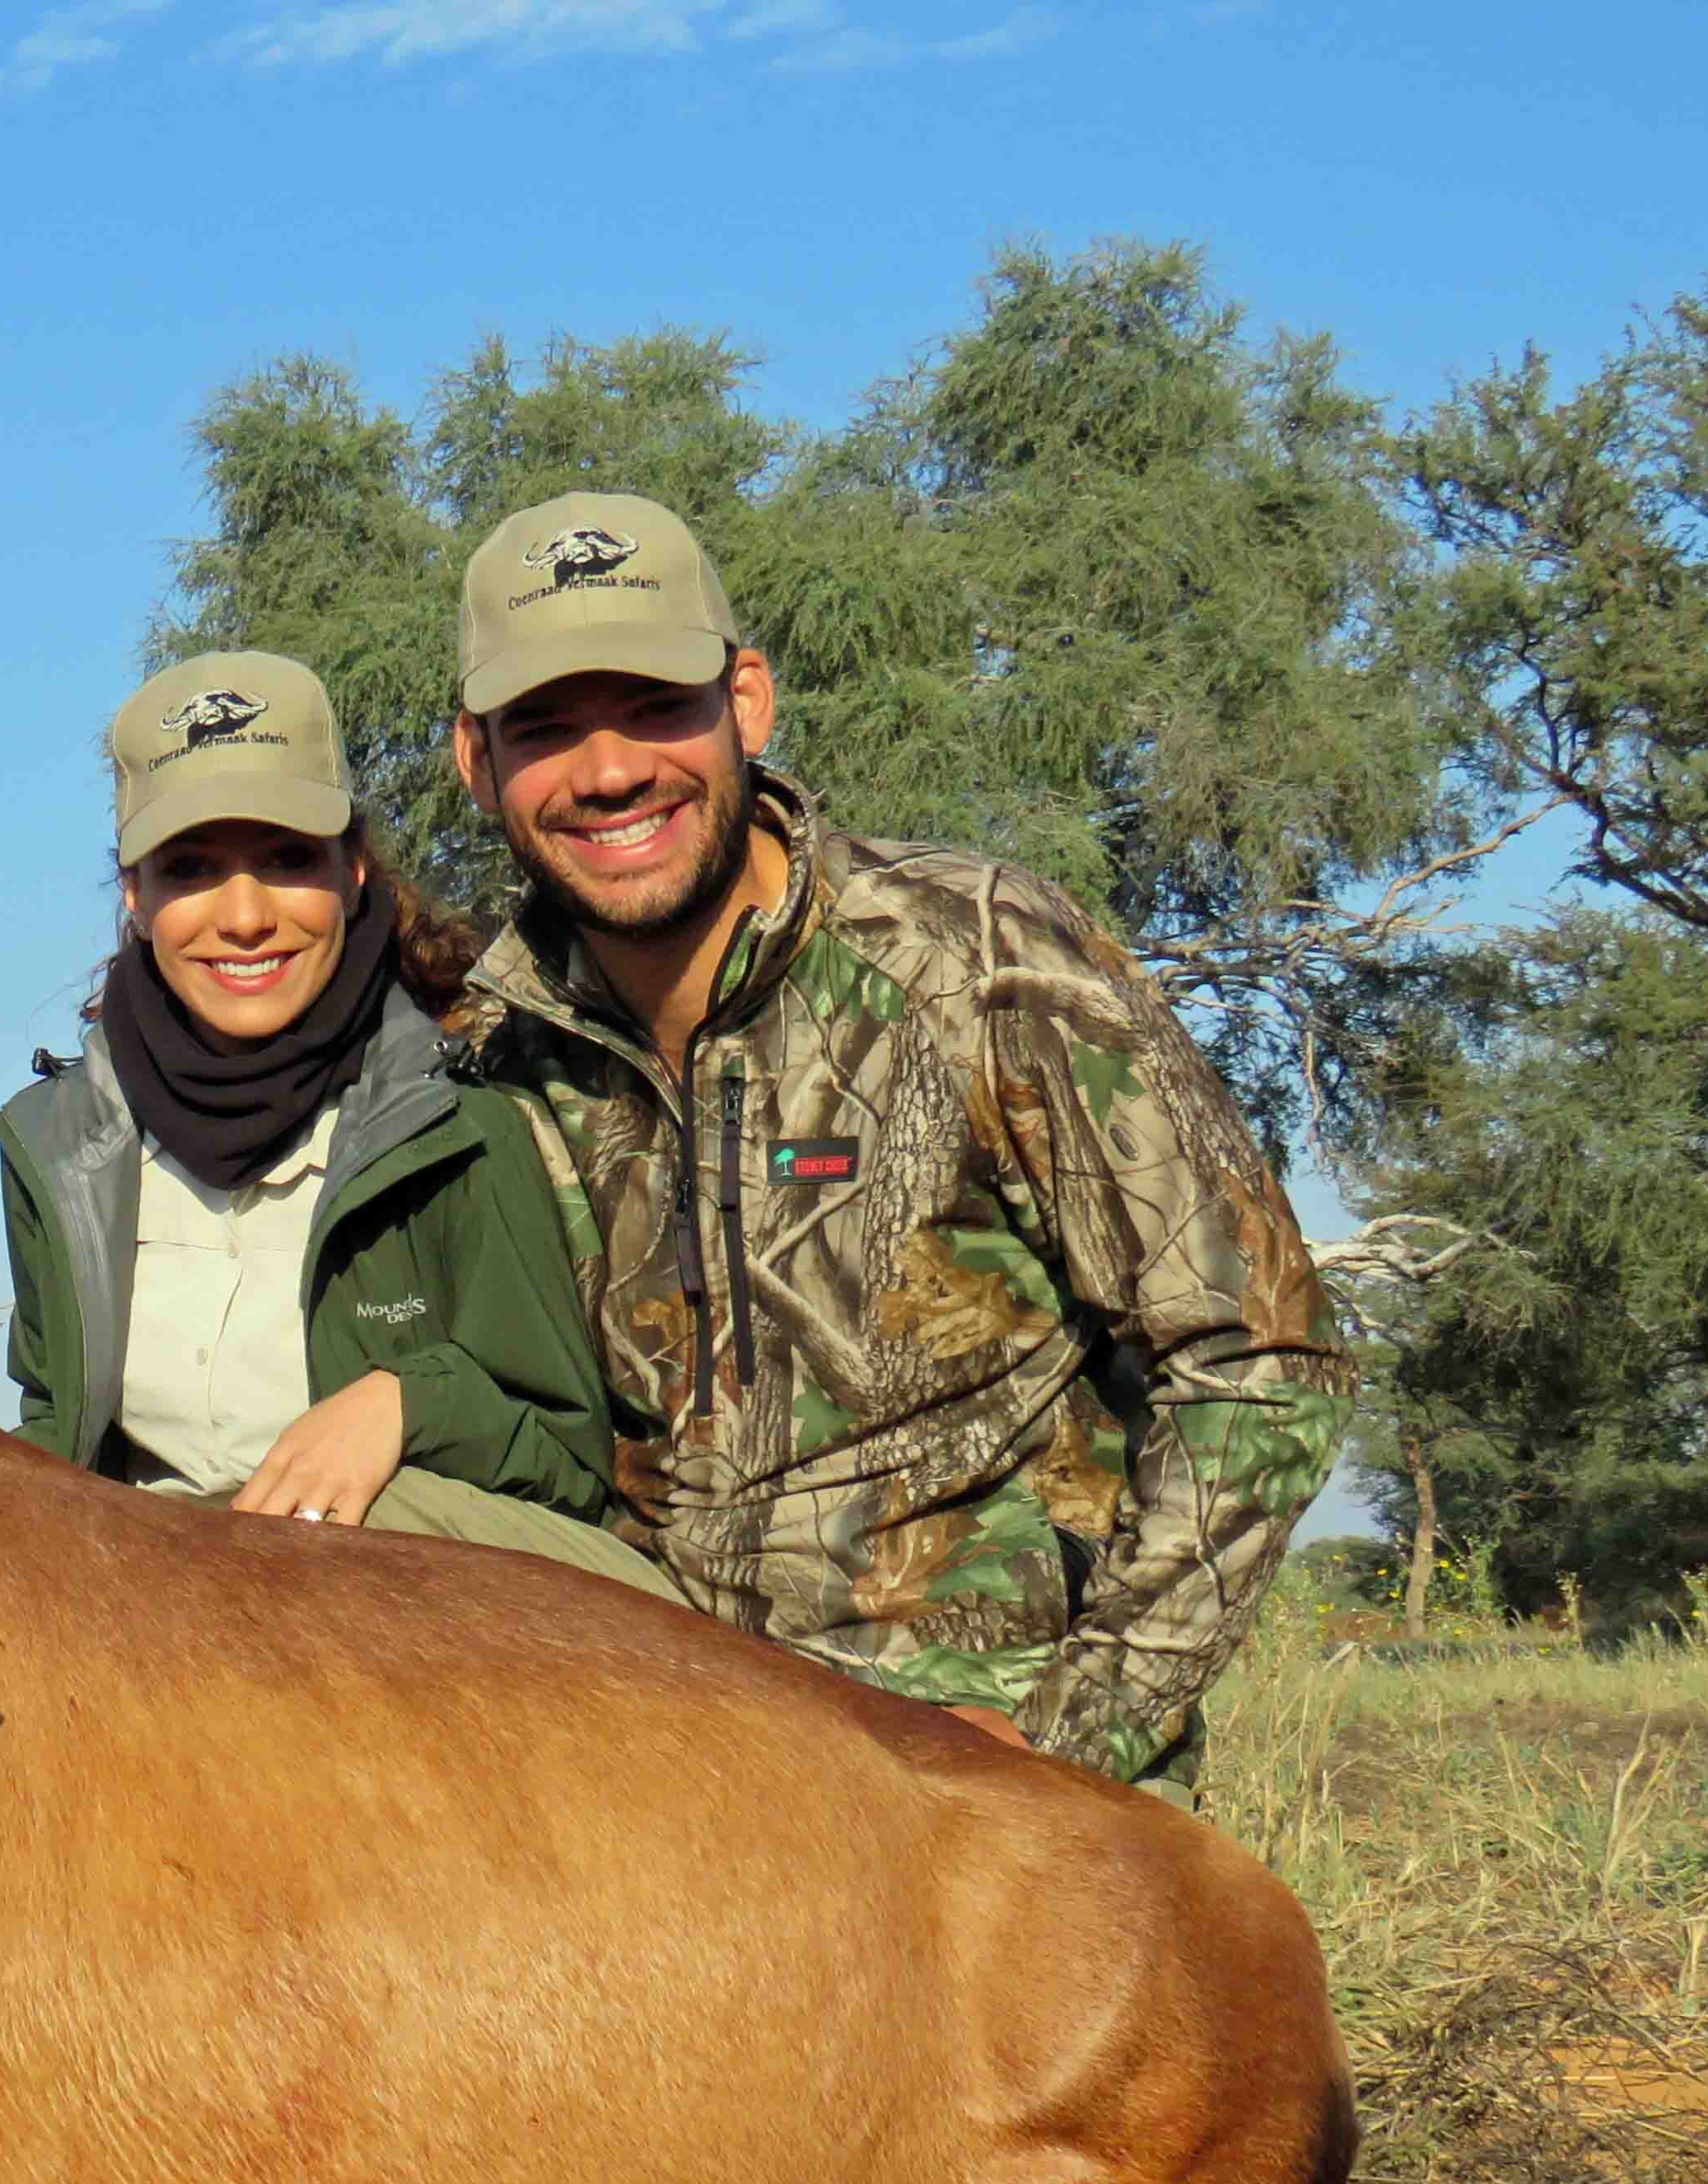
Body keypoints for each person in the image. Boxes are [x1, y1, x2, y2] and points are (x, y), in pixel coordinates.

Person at [440, 492, 1349, 1792]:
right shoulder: (494, 1053)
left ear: (746, 703)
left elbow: (1267, 1355)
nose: (608, 771)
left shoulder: (980, 953)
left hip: (990, 1783)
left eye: (654, 707)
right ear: (477, 762)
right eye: (543, 729)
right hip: (669, 1765)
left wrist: (1067, 1744)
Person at [0, 648, 674, 1595]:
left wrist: (406, 1404)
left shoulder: (461, 1124)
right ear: (134, 896)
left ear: (353, 871)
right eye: (191, 868)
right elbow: (53, 1424)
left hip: (426, 1620)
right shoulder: (56, 1144)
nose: (244, 917)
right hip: (160, 1624)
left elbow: (568, 1458)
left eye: (285, 860)